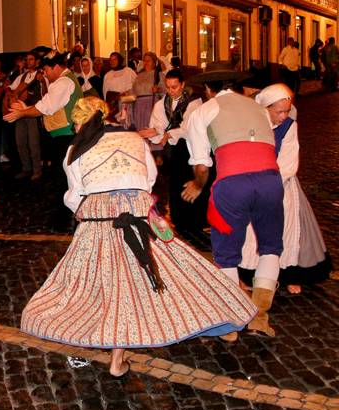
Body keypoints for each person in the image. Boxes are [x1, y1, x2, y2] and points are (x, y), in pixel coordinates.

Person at [21, 97, 256, 377]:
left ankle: (106, 349)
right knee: (140, 280)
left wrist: (86, 212)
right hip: (136, 211)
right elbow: (149, 179)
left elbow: (75, 194)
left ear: (79, 121)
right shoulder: (134, 138)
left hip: (100, 216)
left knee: (99, 283)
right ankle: (130, 351)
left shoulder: (76, 148)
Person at [183, 61, 283, 339]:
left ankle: (230, 323)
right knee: (271, 247)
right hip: (270, 181)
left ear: (207, 88)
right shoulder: (259, 109)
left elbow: (202, 165)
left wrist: (198, 185)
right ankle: (260, 317)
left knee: (226, 252)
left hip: (233, 184)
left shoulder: (204, 111)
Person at [240, 84, 330, 294]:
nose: (283, 116)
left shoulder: (289, 126)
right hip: (254, 185)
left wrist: (269, 184)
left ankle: (288, 275)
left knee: (286, 231)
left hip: (281, 186)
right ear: (266, 108)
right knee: (252, 233)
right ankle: (251, 275)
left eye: (286, 111)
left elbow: (288, 162)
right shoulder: (252, 124)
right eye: (278, 111)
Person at [138, 70, 206, 236]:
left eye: (174, 87)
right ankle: (179, 222)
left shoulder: (194, 101)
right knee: (175, 184)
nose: (171, 91)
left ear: (182, 85)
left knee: (189, 181)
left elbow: (188, 128)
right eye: (168, 87)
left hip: (191, 145)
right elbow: (160, 125)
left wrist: (169, 134)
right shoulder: (162, 103)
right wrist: (155, 132)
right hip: (174, 148)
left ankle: (194, 224)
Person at [6, 50, 47, 180]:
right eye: (27, 60)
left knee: (33, 143)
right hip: (20, 113)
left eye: (31, 59)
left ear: (37, 62)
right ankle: (26, 168)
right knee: (20, 141)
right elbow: (10, 88)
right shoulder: (22, 77)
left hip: (33, 112)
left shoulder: (41, 76)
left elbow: (45, 94)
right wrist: (12, 97)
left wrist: (41, 82)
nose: (29, 62)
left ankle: (37, 170)